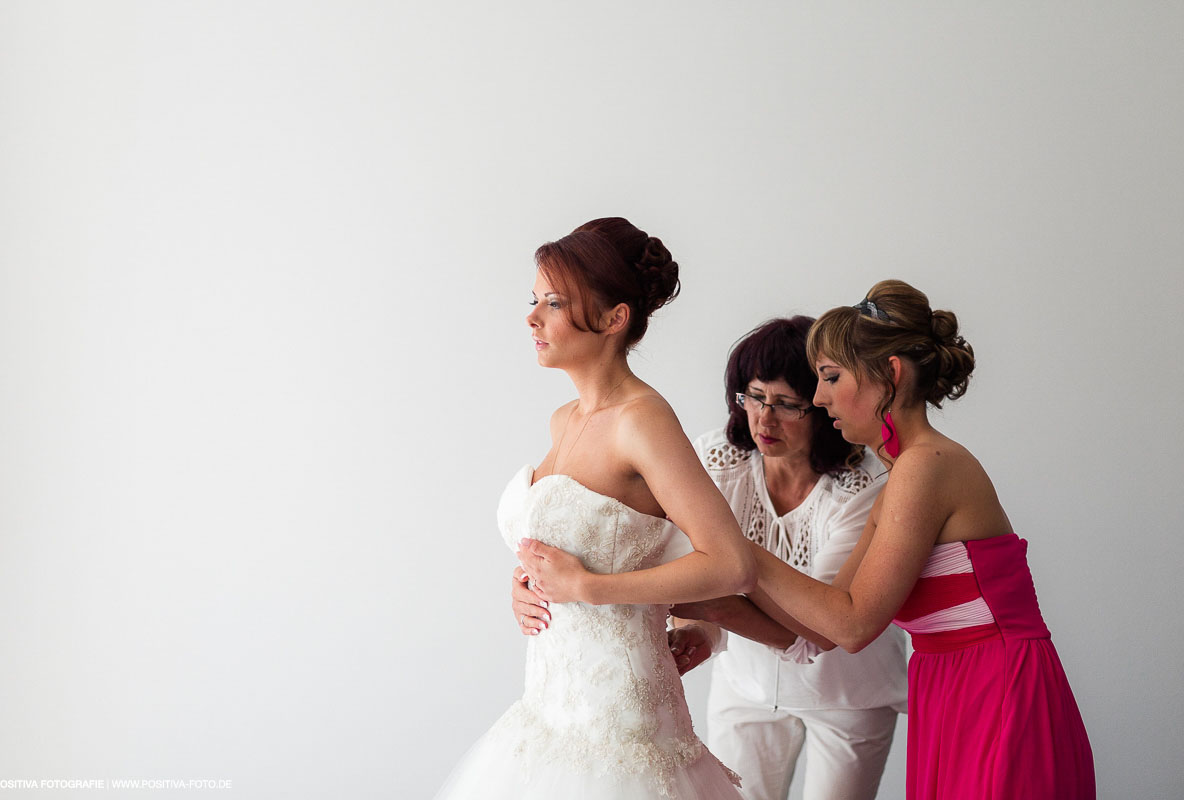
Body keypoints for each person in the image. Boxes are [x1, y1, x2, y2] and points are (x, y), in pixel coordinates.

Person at [515, 317, 908, 800]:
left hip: (849, 690)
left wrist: (715, 598)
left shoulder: (864, 487)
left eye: (787, 405)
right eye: (753, 397)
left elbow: (814, 630)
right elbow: (656, 553)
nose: (765, 420)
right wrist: (698, 628)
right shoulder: (716, 458)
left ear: (823, 407)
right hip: (745, 684)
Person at [434, 218, 755, 800]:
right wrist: (529, 583)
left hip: (621, 730)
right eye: (533, 300)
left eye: (553, 303)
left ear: (614, 318)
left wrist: (585, 586)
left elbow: (731, 562)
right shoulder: (564, 420)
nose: (532, 318)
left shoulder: (643, 421)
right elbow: (577, 542)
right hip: (548, 710)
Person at [744, 280, 1094, 799]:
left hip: (997, 688)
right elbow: (826, 624)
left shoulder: (925, 469)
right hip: (949, 686)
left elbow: (856, 623)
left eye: (831, 377)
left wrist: (738, 550)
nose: (819, 398)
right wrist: (708, 601)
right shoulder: (901, 477)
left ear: (891, 373)